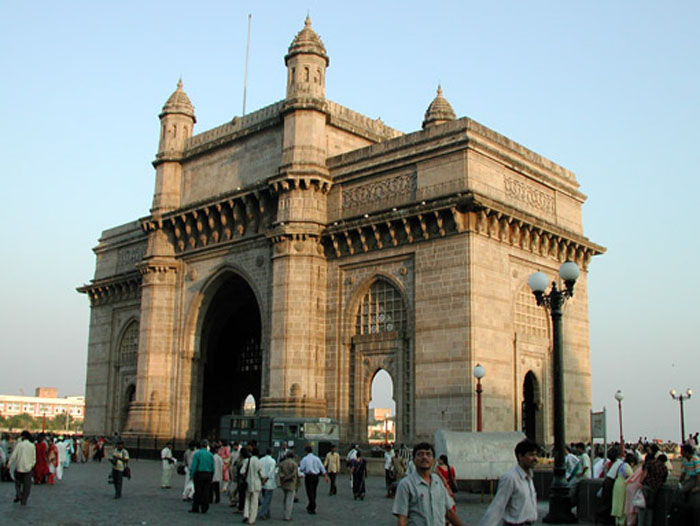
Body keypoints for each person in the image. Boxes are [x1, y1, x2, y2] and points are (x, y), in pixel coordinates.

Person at [393, 442, 463, 526]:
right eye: (420, 454)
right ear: (414, 461)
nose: (424, 457)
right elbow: (402, 518)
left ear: (433, 461)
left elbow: (449, 512)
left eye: (428, 454)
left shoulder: (438, 482)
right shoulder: (406, 485)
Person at [477, 439, 539, 526]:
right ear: (520, 456)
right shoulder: (510, 478)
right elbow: (498, 506)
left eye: (536, 455)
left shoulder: (529, 478)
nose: (535, 459)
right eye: (531, 455)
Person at [638, 453, 668, 526]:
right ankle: (649, 523)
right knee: (650, 508)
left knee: (642, 507)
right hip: (654, 489)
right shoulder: (664, 467)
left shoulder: (650, 463)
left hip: (646, 486)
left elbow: (645, 473)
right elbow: (664, 480)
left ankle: (641, 523)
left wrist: (640, 482)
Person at [299, 444, 328, 514]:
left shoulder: (305, 459)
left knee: (309, 492)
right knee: (314, 491)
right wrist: (325, 475)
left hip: (309, 476)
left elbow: (302, 468)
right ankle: (310, 505)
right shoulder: (317, 458)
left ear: (306, 451)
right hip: (316, 476)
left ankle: (312, 506)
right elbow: (321, 467)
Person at [8, 430, 36, 506]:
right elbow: (34, 458)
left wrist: (9, 464)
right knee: (27, 487)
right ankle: (24, 501)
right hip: (28, 469)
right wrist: (31, 465)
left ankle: (19, 494)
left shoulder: (19, 445)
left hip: (19, 467)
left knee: (18, 484)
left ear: (23, 437)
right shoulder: (32, 446)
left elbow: (13, 455)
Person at [596, 448, 622, 525]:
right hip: (611, 482)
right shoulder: (620, 463)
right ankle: (601, 518)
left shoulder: (613, 463)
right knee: (608, 503)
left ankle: (602, 519)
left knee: (606, 502)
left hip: (607, 481)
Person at [241, 447, 266, 524]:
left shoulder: (246, 461)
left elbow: (242, 471)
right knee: (254, 502)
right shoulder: (259, 462)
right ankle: (252, 519)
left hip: (248, 483)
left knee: (247, 499)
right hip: (256, 483)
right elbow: (263, 475)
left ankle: (246, 514)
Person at [189, 440, 214, 513]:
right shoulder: (210, 454)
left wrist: (191, 474)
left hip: (199, 474)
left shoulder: (197, 454)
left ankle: (195, 507)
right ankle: (204, 508)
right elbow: (213, 467)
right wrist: (212, 475)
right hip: (208, 474)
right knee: (206, 491)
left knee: (198, 491)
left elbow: (194, 465)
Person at [569, 442, 591, 509]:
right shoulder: (583, 456)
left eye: (577, 448)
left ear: (580, 448)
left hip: (582, 476)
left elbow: (586, 466)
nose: (576, 450)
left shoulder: (584, 456)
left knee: (570, 486)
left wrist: (581, 473)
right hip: (582, 475)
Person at [278, 450, 299, 521]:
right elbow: (295, 474)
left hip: (284, 483)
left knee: (285, 498)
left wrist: (283, 479)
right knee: (289, 500)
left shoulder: (282, 463)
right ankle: (287, 516)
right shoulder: (294, 464)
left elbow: (280, 474)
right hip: (291, 483)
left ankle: (285, 512)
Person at [258, 448, 276, 520]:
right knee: (267, 499)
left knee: (264, 497)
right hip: (269, 482)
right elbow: (271, 471)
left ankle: (267, 512)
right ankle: (263, 513)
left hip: (261, 481)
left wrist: (262, 478)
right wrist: (265, 478)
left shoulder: (261, 460)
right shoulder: (272, 461)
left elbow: (259, 469)